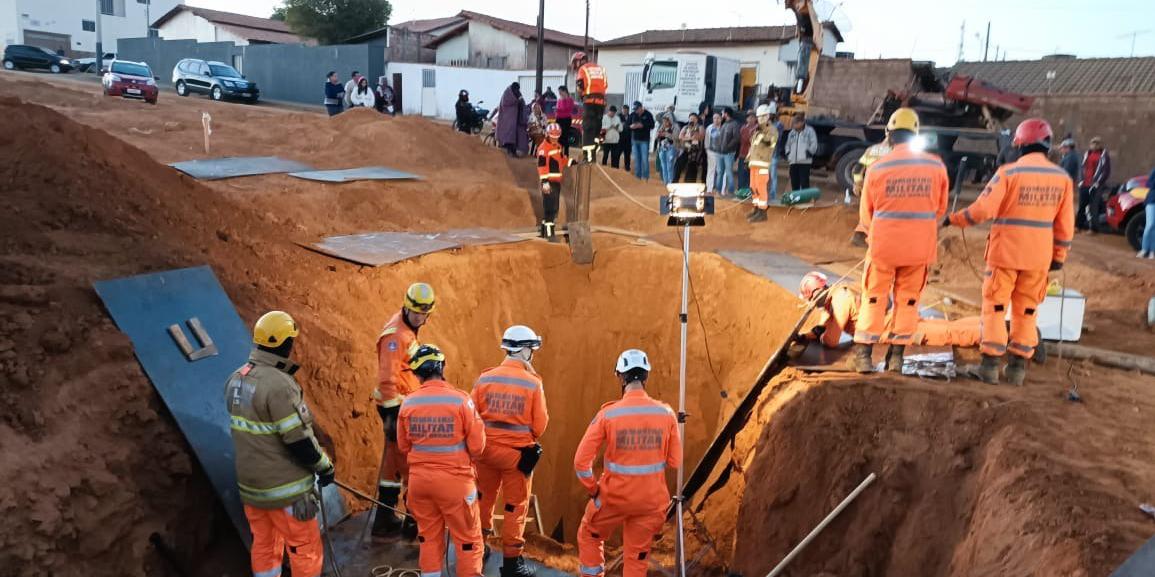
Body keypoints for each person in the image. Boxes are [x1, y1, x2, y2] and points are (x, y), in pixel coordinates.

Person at [945, 118, 1074, 385]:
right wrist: (1058, 258)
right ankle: (1017, 370)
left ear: (1018, 144)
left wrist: (955, 219)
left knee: (995, 307)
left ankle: (990, 366)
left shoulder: (1008, 173)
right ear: (1047, 146)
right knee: (1027, 310)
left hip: (1005, 254)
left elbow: (982, 211)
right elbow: (1065, 225)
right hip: (1038, 258)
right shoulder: (1062, 179)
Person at [226, 311, 335, 577]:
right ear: (285, 344)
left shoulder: (235, 379)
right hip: (287, 491)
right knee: (304, 548)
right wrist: (324, 466)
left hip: (252, 489)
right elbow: (297, 438)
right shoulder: (280, 385)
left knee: (264, 547)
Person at [853, 108, 949, 374]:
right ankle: (896, 359)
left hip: (884, 246)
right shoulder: (936, 167)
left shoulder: (877, 168)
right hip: (920, 248)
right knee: (908, 301)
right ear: (916, 133)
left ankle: (863, 356)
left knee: (874, 298)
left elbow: (866, 214)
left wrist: (874, 236)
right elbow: (940, 210)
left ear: (889, 135)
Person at [574, 349, 681, 577]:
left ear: (620, 377)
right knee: (636, 556)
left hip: (613, 498)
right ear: (646, 377)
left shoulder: (608, 415)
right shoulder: (667, 413)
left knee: (589, 535)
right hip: (651, 503)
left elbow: (581, 462)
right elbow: (675, 460)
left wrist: (593, 489)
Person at [398, 344, 487, 577]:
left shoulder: (408, 403)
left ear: (418, 374)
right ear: (442, 368)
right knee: (468, 542)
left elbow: (403, 446)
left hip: (419, 484)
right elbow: (478, 447)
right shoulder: (461, 401)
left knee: (428, 540)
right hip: (456, 484)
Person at [471, 326, 549, 577]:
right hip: (516, 456)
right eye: (532, 350)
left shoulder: (485, 378)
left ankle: (478, 550)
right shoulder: (532, 383)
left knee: (483, 499)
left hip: (484, 452)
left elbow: (471, 416)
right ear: (524, 350)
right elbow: (540, 423)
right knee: (515, 507)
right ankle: (512, 565)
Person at [371, 283, 437, 539]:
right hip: (397, 409)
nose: (419, 318)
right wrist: (392, 417)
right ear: (406, 308)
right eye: (415, 313)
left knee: (393, 463)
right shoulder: (396, 337)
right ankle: (413, 522)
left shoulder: (405, 328)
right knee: (412, 464)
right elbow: (387, 379)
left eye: (423, 314)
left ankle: (384, 519)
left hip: (401, 407)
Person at [796, 271, 982, 350]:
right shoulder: (838, 293)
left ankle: (990, 333)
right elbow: (823, 324)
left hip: (892, 329)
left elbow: (831, 340)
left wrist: (821, 337)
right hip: (895, 319)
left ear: (815, 294)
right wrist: (807, 336)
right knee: (946, 325)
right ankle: (990, 325)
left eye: (811, 300)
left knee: (947, 333)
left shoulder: (839, 300)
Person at [573, 52, 608, 163]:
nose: (575, 65)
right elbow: (605, 85)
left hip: (589, 102)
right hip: (601, 103)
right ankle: (593, 153)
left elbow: (580, 86)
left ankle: (587, 159)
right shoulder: (601, 69)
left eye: (575, 62)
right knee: (596, 129)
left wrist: (580, 95)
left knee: (588, 129)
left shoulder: (583, 69)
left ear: (579, 60)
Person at [746, 104, 778, 222]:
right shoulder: (758, 130)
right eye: (758, 117)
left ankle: (762, 212)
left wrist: (761, 135)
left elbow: (770, 143)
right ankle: (756, 209)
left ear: (767, 116)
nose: (759, 119)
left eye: (762, 117)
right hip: (754, 163)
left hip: (763, 163)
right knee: (753, 187)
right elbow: (753, 147)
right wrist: (747, 160)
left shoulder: (771, 130)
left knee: (760, 188)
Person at [536, 122, 566, 240]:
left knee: (554, 207)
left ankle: (544, 232)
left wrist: (571, 162)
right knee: (550, 208)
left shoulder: (558, 146)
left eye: (557, 136)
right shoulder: (543, 148)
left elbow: (561, 160)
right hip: (548, 182)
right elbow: (542, 166)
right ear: (548, 135)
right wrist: (544, 182)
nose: (555, 138)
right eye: (553, 136)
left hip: (557, 181)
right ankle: (550, 234)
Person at [1077, 136, 1111, 233]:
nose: (1095, 145)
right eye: (1093, 143)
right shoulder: (1087, 154)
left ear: (1100, 145)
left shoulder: (1104, 156)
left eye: (1097, 143)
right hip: (1084, 184)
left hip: (1095, 185)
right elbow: (1082, 167)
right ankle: (1078, 226)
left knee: (1093, 207)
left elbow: (1106, 171)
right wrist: (1081, 181)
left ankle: (1093, 228)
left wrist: (1098, 183)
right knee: (1082, 206)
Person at [785, 113, 818, 191]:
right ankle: (796, 199)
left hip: (805, 162)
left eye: (796, 123)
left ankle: (805, 200)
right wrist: (788, 153)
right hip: (793, 161)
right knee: (794, 182)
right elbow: (787, 145)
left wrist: (809, 153)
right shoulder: (792, 133)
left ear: (802, 122)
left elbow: (814, 143)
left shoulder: (810, 131)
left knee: (804, 182)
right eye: (793, 123)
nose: (794, 125)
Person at [497, 82, 529, 157]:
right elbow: (505, 103)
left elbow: (521, 101)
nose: (517, 90)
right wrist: (517, 101)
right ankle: (509, 151)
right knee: (509, 134)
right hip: (508, 118)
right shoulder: (507, 93)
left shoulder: (517, 92)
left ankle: (514, 151)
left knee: (516, 134)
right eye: (516, 89)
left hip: (516, 118)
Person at [627, 102, 655, 181]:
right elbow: (626, 125)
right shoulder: (632, 115)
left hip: (644, 140)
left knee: (644, 159)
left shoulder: (648, 114)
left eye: (637, 109)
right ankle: (637, 176)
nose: (636, 111)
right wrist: (631, 126)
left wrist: (643, 125)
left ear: (641, 108)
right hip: (634, 140)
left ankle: (645, 176)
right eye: (635, 109)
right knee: (637, 159)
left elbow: (652, 125)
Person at [673, 113, 704, 183]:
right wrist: (690, 137)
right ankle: (674, 181)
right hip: (686, 149)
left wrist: (692, 135)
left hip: (695, 151)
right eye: (690, 119)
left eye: (693, 119)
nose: (692, 120)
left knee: (692, 168)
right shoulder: (685, 127)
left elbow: (701, 136)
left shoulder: (700, 127)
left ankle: (689, 184)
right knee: (678, 165)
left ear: (697, 120)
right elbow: (680, 137)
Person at [719, 108, 741, 195]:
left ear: (726, 114)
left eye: (722, 113)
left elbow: (736, 138)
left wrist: (728, 147)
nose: (721, 114)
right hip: (722, 152)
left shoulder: (734, 124)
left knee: (728, 172)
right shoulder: (724, 124)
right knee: (721, 172)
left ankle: (731, 190)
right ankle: (721, 190)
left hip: (729, 152)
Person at [738, 111, 758, 192]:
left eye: (753, 117)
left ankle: (750, 192)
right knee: (742, 174)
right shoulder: (743, 128)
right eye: (749, 117)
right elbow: (745, 140)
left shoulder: (758, 128)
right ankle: (741, 191)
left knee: (752, 175)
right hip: (743, 155)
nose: (751, 119)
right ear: (746, 119)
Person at [704, 113, 723, 193]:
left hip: (721, 153)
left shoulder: (724, 128)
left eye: (718, 118)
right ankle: (709, 188)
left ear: (721, 119)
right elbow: (706, 139)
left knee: (721, 171)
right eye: (714, 118)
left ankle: (721, 190)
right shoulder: (709, 127)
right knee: (711, 170)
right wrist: (707, 149)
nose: (716, 120)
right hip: (711, 152)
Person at [655, 116, 677, 184]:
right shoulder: (661, 128)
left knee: (670, 165)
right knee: (663, 165)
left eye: (666, 121)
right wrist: (658, 134)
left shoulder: (674, 128)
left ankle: (670, 181)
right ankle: (665, 181)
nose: (664, 123)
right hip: (662, 148)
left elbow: (676, 137)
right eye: (663, 121)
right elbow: (656, 137)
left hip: (671, 147)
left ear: (670, 121)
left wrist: (666, 134)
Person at [555, 86, 576, 156]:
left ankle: (566, 154)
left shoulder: (570, 100)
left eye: (560, 91)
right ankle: (559, 153)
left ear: (564, 91)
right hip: (559, 119)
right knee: (559, 137)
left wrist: (564, 100)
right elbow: (558, 108)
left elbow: (567, 109)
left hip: (566, 119)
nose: (559, 93)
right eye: (559, 92)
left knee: (565, 136)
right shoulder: (559, 100)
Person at [1141, 167, 1155, 259]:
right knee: (1150, 225)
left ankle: (1152, 252)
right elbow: (1148, 184)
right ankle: (1144, 249)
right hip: (1152, 200)